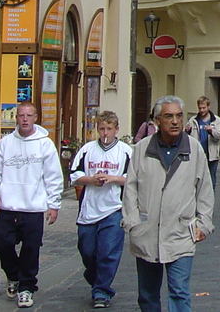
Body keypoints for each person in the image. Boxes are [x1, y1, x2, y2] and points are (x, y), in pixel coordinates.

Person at [124, 95, 215, 312]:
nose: (175, 121)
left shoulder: (194, 149)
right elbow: (130, 188)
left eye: (178, 116)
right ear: (157, 121)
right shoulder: (142, 149)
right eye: (168, 116)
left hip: (181, 233)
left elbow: (205, 190)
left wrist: (204, 224)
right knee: (147, 295)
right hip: (147, 232)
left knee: (179, 292)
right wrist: (132, 222)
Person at [0, 101, 63, 309]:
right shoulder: (5, 143)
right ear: (16, 118)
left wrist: (53, 204)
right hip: (8, 206)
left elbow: (53, 176)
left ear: (35, 118)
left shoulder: (44, 144)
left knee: (30, 249)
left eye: (29, 116)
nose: (25, 119)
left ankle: (26, 288)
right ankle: (14, 276)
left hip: (33, 208)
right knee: (1, 243)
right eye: (21, 116)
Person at [70, 111, 133, 309]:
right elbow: (73, 175)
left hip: (114, 207)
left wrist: (113, 178)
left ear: (116, 129)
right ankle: (96, 278)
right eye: (102, 129)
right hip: (89, 208)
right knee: (88, 251)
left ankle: (101, 292)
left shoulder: (126, 151)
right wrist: (91, 179)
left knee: (107, 252)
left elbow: (135, 178)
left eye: (109, 129)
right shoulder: (87, 150)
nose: (105, 133)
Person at [185, 96, 220, 189]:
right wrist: (187, 131)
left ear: (208, 107)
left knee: (211, 179)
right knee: (196, 178)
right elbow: (186, 137)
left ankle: (210, 199)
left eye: (204, 108)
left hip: (211, 155)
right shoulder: (193, 120)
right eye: (200, 108)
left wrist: (211, 131)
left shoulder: (216, 120)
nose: (202, 110)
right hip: (197, 154)